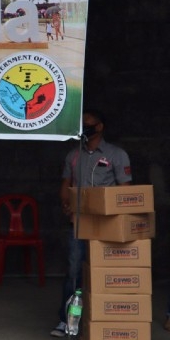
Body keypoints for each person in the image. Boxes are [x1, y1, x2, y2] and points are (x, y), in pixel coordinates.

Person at [50, 109, 131, 337]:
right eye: (82, 123)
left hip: (106, 225)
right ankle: (67, 321)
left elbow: (124, 192)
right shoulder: (74, 155)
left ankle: (107, 319)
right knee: (74, 270)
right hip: (79, 222)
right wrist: (66, 204)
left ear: (100, 127)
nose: (84, 127)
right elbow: (66, 183)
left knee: (106, 271)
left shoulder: (116, 154)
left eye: (89, 123)